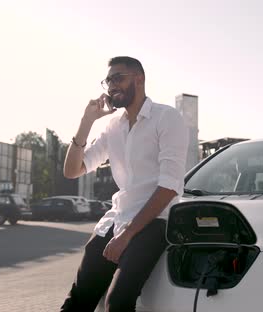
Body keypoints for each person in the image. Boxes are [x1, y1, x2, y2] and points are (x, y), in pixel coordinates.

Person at [61, 56, 189, 311]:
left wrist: (128, 234)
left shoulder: (167, 118)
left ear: (139, 79)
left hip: (155, 221)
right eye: (108, 81)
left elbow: (169, 186)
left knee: (118, 302)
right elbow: (72, 171)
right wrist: (87, 120)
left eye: (118, 78)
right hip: (116, 220)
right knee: (78, 301)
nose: (111, 86)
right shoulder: (112, 126)